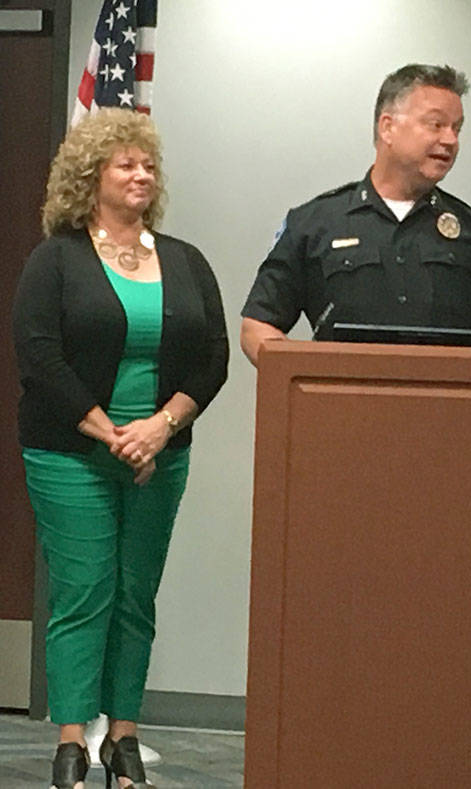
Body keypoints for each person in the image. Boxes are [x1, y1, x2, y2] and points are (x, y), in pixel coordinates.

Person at [12, 108, 229, 789]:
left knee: (137, 595)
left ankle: (123, 737)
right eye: (126, 164)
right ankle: (72, 741)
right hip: (71, 453)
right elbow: (39, 356)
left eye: (148, 165)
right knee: (85, 592)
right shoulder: (56, 259)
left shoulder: (186, 260)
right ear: (91, 176)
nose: (142, 174)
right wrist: (113, 434)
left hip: (160, 454)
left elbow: (214, 357)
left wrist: (160, 427)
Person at [240, 63, 471, 365]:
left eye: (457, 128)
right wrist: (303, 376)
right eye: (436, 124)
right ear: (387, 127)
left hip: (451, 419)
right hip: (343, 418)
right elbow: (257, 327)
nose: (450, 140)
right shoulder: (315, 224)